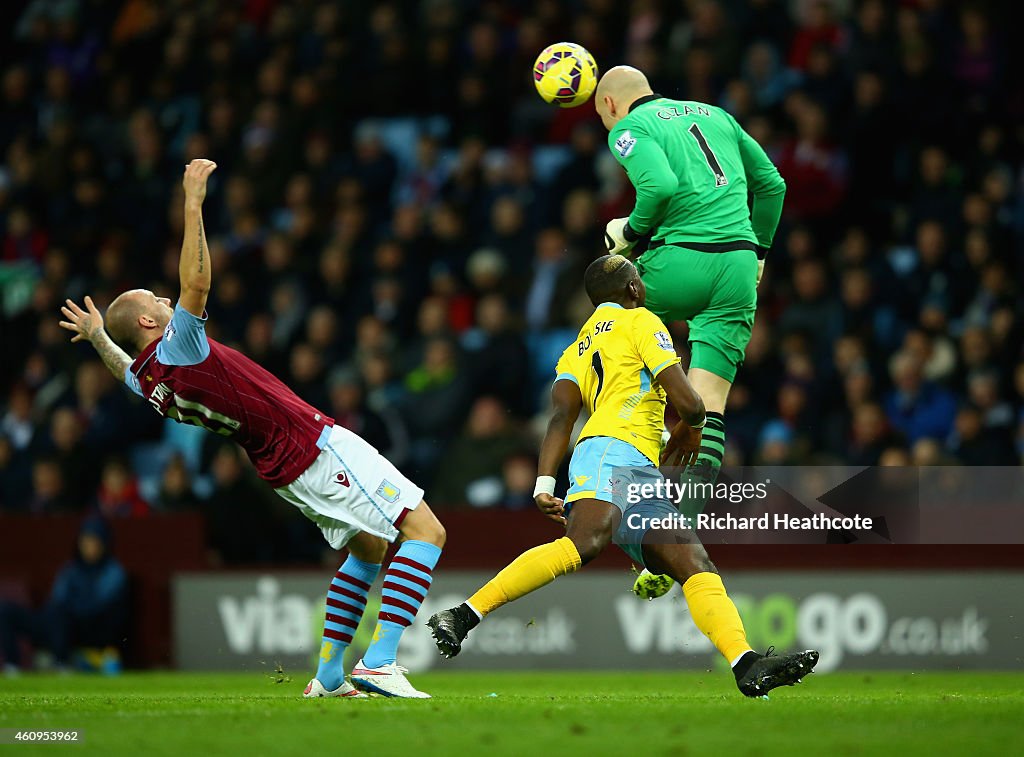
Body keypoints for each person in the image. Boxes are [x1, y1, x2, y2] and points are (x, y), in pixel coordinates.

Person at [58, 160, 446, 699]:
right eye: (156, 302)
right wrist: (193, 203)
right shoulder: (179, 350)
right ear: (150, 324)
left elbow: (123, 370)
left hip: (282, 470)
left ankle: (330, 676)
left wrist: (101, 336)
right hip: (313, 445)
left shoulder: (152, 383)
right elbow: (196, 282)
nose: (167, 300)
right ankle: (380, 661)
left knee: (370, 550)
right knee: (426, 531)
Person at [428, 256, 818, 698]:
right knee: (585, 543)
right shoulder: (642, 322)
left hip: (625, 461)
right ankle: (463, 614)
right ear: (633, 290)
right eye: (640, 281)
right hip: (612, 450)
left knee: (692, 562)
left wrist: (542, 482)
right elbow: (690, 403)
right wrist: (692, 427)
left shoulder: (577, 345)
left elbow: (561, 415)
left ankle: (745, 663)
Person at [595, 66, 787, 597]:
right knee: (709, 406)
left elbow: (659, 186)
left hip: (682, 262)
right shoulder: (718, 115)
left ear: (611, 105)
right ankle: (683, 533)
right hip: (738, 270)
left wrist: (627, 234)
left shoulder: (628, 128)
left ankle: (622, 453)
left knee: (608, 300)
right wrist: (761, 254)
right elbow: (772, 185)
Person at [0, 516, 128, 675]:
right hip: (57, 624)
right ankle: (13, 666)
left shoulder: (113, 572)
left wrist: (67, 608)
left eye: (94, 542)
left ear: (104, 544)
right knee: (5, 611)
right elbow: (56, 599)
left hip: (86, 630)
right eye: (86, 542)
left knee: (60, 614)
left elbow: (98, 608)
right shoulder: (70, 570)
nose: (90, 547)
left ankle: (62, 663)